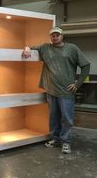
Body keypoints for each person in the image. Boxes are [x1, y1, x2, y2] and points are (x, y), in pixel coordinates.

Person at [22, 26, 90, 154]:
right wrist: (26, 48)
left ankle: (66, 142)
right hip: (51, 90)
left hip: (66, 91)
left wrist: (78, 83)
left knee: (66, 118)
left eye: (57, 35)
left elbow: (86, 65)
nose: (55, 37)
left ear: (62, 36)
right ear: (50, 37)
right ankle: (56, 139)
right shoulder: (45, 48)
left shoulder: (72, 48)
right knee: (54, 117)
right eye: (52, 35)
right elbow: (31, 47)